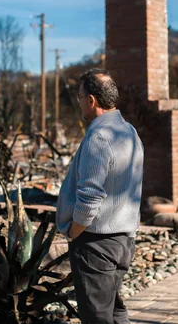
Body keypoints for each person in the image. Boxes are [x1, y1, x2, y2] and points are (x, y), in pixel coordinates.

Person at [56, 68, 144, 324]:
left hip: (96, 242)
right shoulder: (130, 133)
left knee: (97, 318)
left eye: (80, 96)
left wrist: (74, 231)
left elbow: (90, 196)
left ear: (92, 100)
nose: (79, 102)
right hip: (123, 241)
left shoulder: (99, 137)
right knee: (115, 313)